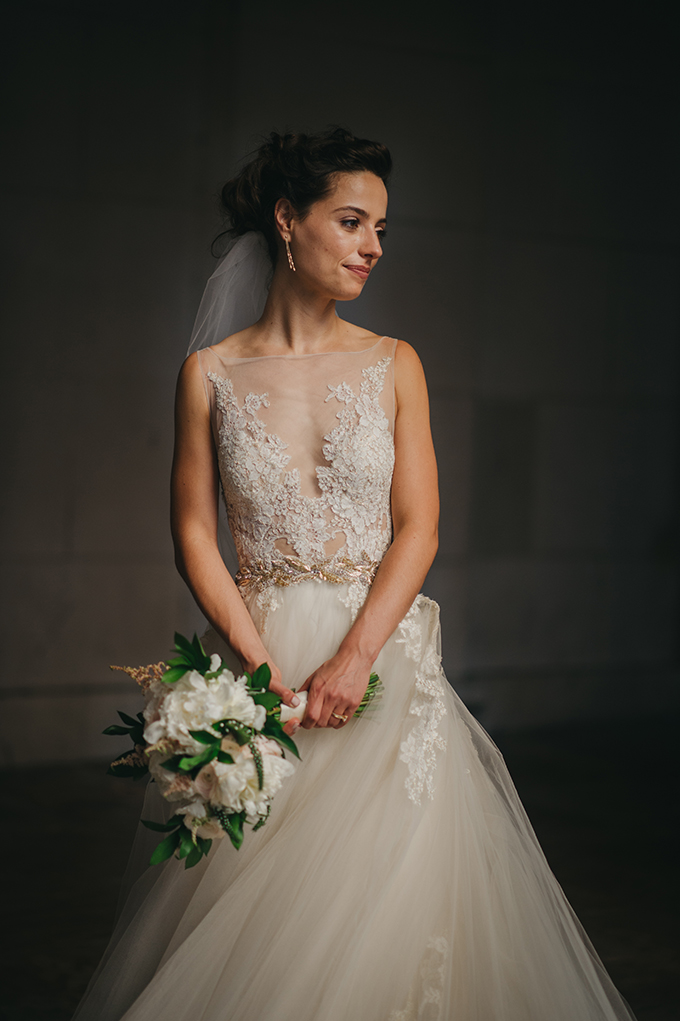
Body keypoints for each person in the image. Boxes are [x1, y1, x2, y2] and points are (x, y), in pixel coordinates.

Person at [73, 128, 636, 1021]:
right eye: (351, 220)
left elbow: (420, 526)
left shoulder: (394, 362)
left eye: (381, 226)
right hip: (265, 661)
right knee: (258, 923)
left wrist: (356, 657)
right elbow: (191, 531)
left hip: (377, 658)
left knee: (389, 906)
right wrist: (255, 669)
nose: (374, 244)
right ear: (287, 221)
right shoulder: (208, 376)